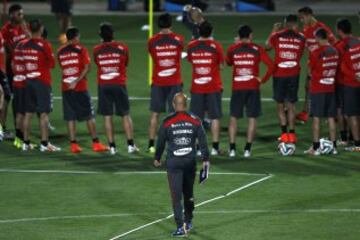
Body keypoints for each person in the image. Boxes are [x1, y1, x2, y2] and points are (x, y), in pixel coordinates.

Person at [154, 92, 210, 237]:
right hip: (190, 162)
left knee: (176, 196)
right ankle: (189, 221)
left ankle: (180, 227)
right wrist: (205, 159)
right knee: (188, 194)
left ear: (173, 105)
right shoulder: (195, 120)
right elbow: (203, 142)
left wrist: (157, 158)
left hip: (174, 163)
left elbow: (160, 142)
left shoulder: (167, 121)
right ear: (186, 104)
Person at [57, 27, 108, 153]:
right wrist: (77, 80)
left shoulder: (59, 51)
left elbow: (63, 67)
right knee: (89, 116)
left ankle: (73, 145)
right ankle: (96, 143)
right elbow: (87, 67)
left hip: (66, 87)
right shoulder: (81, 49)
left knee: (70, 117)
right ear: (75, 38)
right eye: (78, 37)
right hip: (79, 87)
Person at [227, 25, 274, 158]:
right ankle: (248, 149)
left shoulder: (232, 49)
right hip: (253, 87)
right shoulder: (257, 49)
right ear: (251, 35)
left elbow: (228, 62)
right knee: (252, 118)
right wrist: (262, 80)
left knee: (234, 118)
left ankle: (232, 149)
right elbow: (271, 66)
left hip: (238, 87)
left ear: (239, 36)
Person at [93, 22, 138, 155]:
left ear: (101, 36)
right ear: (113, 34)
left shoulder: (96, 49)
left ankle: (112, 147)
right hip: (119, 84)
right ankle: (130, 145)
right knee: (125, 115)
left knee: (107, 116)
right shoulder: (122, 47)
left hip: (104, 85)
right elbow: (126, 63)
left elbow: (97, 63)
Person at [147, 13, 184, 153]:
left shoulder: (152, 41)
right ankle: (173, 144)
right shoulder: (178, 39)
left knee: (155, 114)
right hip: (174, 81)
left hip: (158, 81)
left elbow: (153, 55)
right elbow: (179, 54)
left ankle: (151, 144)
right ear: (171, 24)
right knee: (174, 114)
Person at [265, 14, 305, 143]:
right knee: (291, 105)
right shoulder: (301, 38)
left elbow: (267, 47)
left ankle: (284, 134)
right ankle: (292, 135)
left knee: (280, 105)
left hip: (279, 74)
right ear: (295, 24)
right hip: (293, 74)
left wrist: (274, 31)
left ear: (285, 23)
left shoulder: (277, 35)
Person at [22, 19, 60, 152]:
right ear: (41, 29)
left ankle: (25, 143)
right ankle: (44, 144)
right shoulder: (45, 45)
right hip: (42, 82)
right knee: (43, 113)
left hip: (28, 81)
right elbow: (53, 63)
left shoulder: (24, 45)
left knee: (28, 114)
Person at [187, 21, 224, 156]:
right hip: (213, 87)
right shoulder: (216, 46)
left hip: (197, 87)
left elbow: (191, 61)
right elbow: (221, 65)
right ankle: (214, 148)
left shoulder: (191, 46)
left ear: (198, 32)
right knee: (214, 117)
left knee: (197, 119)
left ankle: (197, 148)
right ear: (211, 32)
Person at [296, 6, 336, 124]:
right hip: (313, 63)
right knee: (308, 86)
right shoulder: (305, 28)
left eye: (302, 18)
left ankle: (331, 113)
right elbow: (306, 45)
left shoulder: (322, 28)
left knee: (324, 88)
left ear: (309, 16)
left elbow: (333, 43)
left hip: (324, 64)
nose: (301, 20)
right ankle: (305, 112)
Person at [304, 29, 339, 155]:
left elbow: (309, 71)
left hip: (318, 89)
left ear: (319, 38)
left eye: (316, 39)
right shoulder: (335, 51)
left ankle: (315, 148)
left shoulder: (315, 52)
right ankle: (333, 147)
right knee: (330, 118)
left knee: (316, 118)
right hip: (330, 88)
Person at [1, 4, 30, 140]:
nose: (22, 17)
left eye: (22, 14)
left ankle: (18, 127)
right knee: (6, 98)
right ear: (12, 15)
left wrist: (25, 30)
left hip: (24, 69)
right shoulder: (5, 30)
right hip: (10, 70)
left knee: (19, 99)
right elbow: (8, 49)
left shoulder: (24, 26)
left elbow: (32, 42)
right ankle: (3, 128)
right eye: (19, 14)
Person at [337, 19, 360, 152]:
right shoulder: (358, 40)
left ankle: (357, 144)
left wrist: (355, 76)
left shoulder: (341, 46)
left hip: (350, 84)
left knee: (352, 114)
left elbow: (343, 68)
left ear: (340, 31)